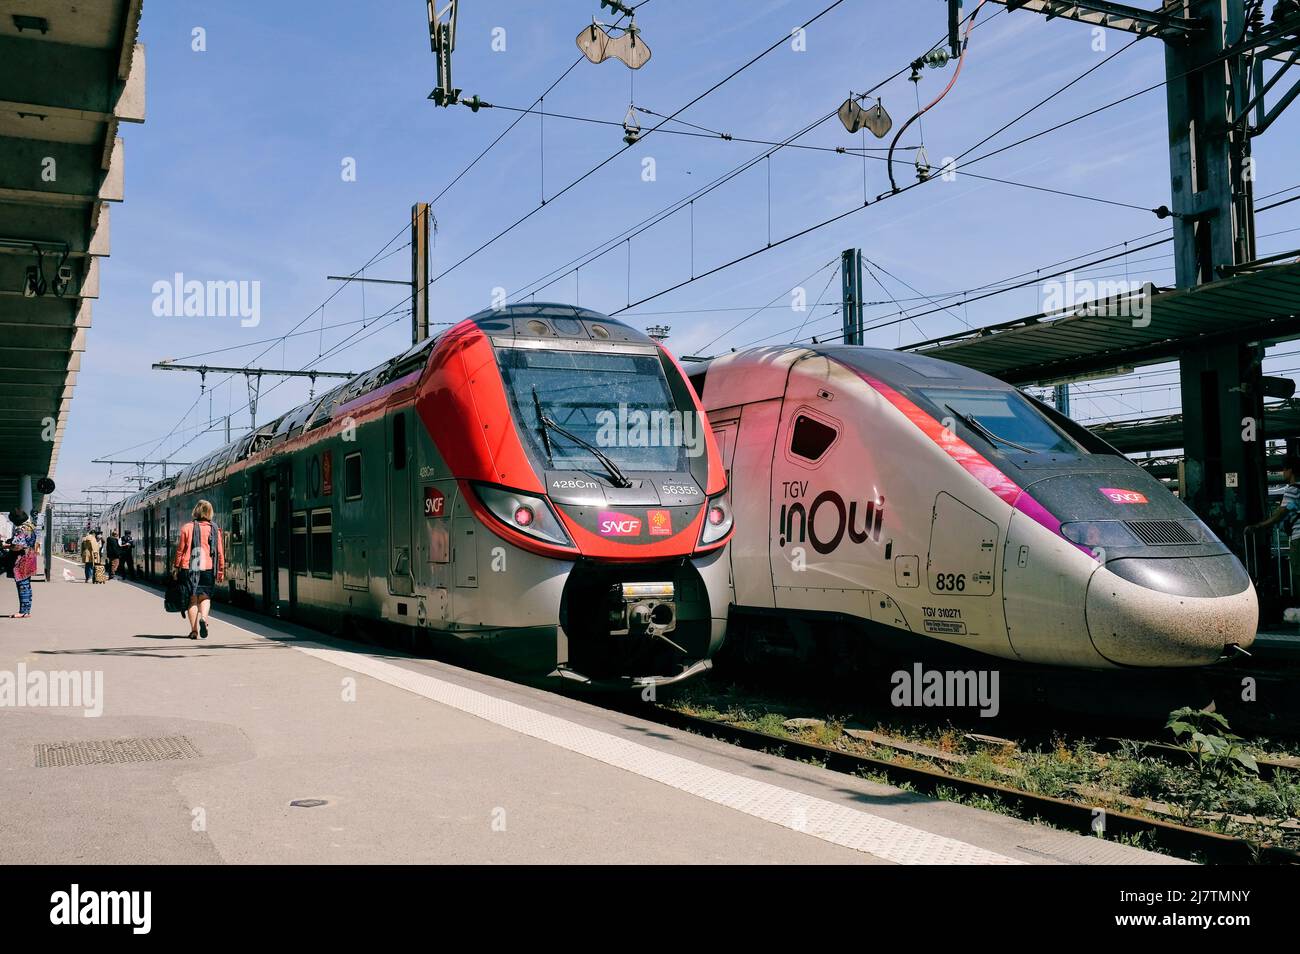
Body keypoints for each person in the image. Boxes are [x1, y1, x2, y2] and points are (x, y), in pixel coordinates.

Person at [1248, 454, 1300, 602]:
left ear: (1290, 470)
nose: (1283, 473)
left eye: (1284, 469)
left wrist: (1258, 526)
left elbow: (1279, 514)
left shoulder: (1293, 490)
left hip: (1298, 538)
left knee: (1298, 574)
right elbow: (1290, 507)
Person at [173, 499, 225, 640]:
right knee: (205, 597)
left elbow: (180, 551)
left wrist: (176, 567)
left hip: (190, 568)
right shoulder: (215, 529)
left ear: (196, 511)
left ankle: (194, 631)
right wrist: (221, 570)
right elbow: (220, 552)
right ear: (210, 513)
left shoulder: (187, 527)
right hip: (208, 568)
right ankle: (204, 619)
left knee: (192, 600)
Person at [6, 510, 38, 618]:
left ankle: (23, 611)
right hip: (30, 556)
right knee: (27, 585)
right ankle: (26, 610)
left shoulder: (20, 528)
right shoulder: (31, 526)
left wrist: (7, 546)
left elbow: (18, 546)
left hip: (22, 559)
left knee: (22, 585)